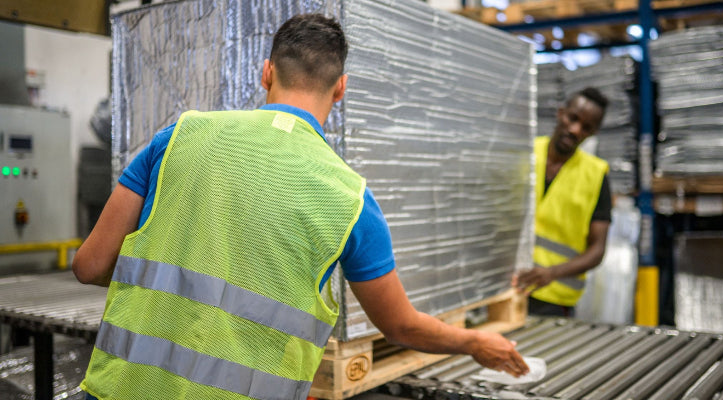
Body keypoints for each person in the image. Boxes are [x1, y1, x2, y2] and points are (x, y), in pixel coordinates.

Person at [72, 14, 528, 400]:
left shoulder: (178, 138)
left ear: (266, 72)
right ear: (341, 88)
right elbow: (401, 327)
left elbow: (90, 265)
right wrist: (475, 341)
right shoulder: (350, 198)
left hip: (121, 389)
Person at [512, 87, 612, 317]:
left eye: (586, 127)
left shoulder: (596, 175)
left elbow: (597, 249)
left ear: (593, 133)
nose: (575, 129)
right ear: (560, 113)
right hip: (506, 287)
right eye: (573, 118)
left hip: (555, 300)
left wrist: (552, 273)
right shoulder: (524, 152)